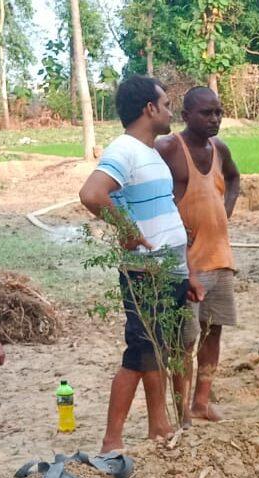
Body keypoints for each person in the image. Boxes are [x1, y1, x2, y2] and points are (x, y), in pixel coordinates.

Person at [78, 75, 203, 453]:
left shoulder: (149, 153)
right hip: (146, 271)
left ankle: (158, 427)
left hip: (171, 268)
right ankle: (113, 439)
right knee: (141, 352)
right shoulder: (125, 150)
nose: (169, 111)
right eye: (165, 104)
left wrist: (188, 272)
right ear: (149, 108)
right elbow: (91, 193)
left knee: (157, 350)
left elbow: (166, 213)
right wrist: (127, 229)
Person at [157, 86, 241, 423]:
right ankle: (182, 412)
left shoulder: (219, 148)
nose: (215, 119)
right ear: (186, 114)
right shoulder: (168, 148)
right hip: (186, 265)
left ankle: (201, 402)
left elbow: (234, 178)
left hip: (220, 259)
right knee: (184, 341)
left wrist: (226, 208)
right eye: (207, 113)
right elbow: (143, 185)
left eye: (219, 112)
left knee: (213, 332)